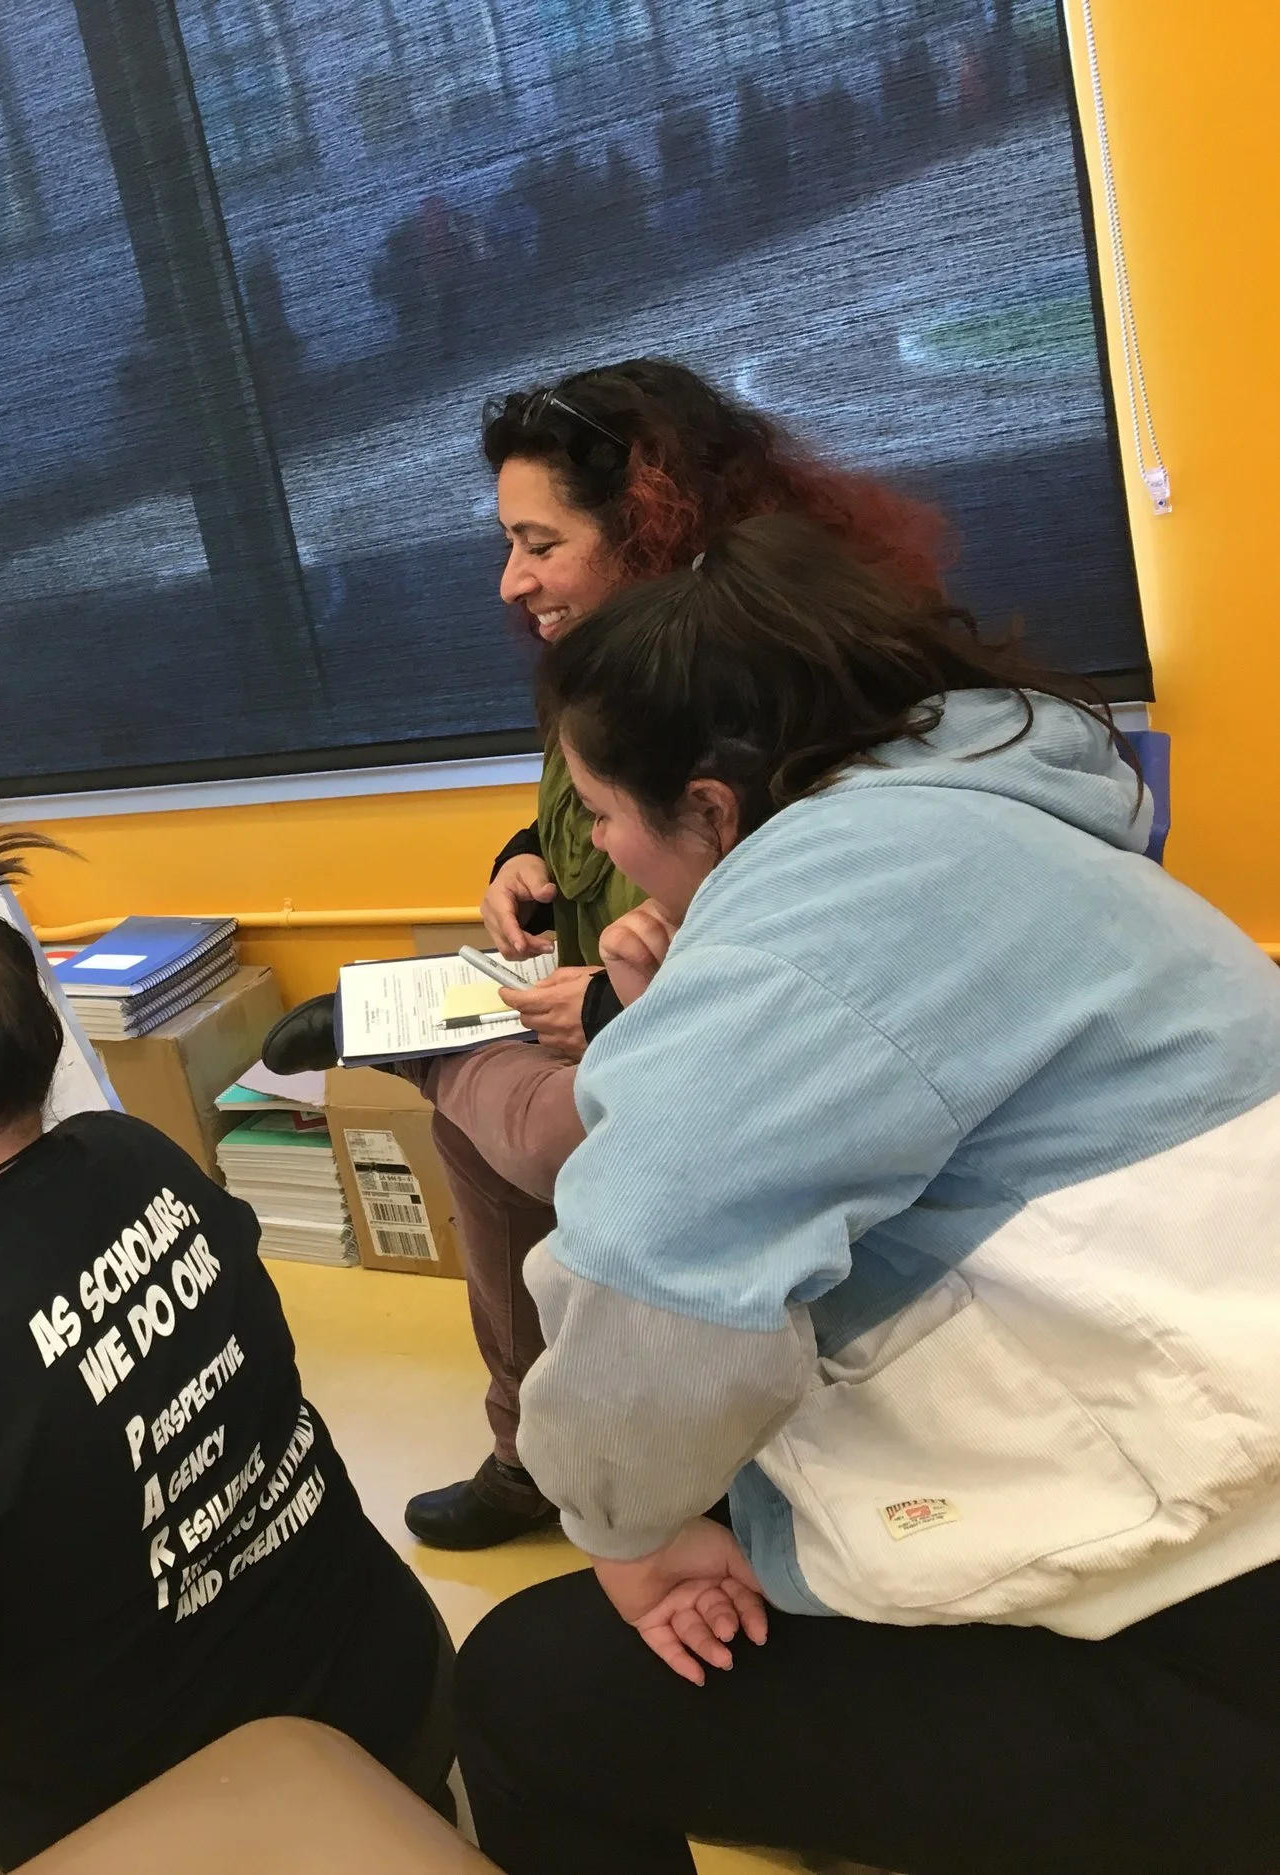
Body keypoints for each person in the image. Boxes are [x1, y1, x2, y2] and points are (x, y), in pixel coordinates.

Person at [455, 517, 1280, 1873]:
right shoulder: (988, 810)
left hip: (1221, 1608)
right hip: (1208, 1388)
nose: (598, 843)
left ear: (712, 809)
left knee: (527, 1680)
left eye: (600, 815)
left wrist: (625, 1533)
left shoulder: (819, 913)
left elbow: (648, 1283)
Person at [262, 358, 949, 1550]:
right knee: (479, 1140)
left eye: (539, 544)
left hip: (719, 1073)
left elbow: (794, 993)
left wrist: (621, 1013)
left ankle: (418, 1040)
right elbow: (597, 813)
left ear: (646, 528)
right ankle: (529, 1451)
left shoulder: (774, 709)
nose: (509, 581)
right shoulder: (618, 667)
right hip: (608, 1012)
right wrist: (526, 854)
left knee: (509, 1118)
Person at [0, 834, 454, 1868]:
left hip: (191, 1820)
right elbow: (74, 1366)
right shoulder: (134, 1153)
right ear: (43, 1045)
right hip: (391, 1691)